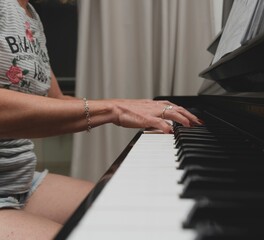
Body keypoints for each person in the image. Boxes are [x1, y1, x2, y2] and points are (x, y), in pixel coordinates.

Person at [0, 0, 202, 239]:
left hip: (20, 181)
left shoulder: (29, 14)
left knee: (143, 216)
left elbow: (56, 99)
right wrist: (112, 110)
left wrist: (130, 106)